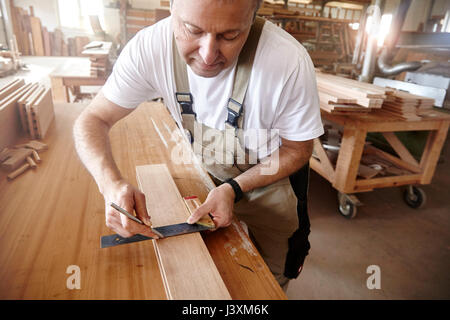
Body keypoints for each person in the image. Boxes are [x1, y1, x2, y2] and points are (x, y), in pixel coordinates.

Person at [73, 0, 323, 290]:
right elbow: (92, 119)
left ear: (253, 17)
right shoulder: (151, 48)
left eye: (230, 36)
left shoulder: (288, 61)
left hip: (272, 183)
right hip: (208, 179)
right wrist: (111, 184)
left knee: (266, 282)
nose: (207, 55)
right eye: (192, 30)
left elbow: (298, 150)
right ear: (171, 8)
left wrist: (234, 188)